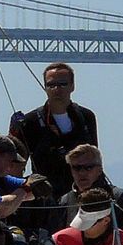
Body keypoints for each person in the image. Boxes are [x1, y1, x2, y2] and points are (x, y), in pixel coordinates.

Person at [14, 62, 98, 198]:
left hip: (83, 192)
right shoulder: (30, 121)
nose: (57, 89)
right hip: (47, 194)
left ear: (72, 86)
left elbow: (94, 155)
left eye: (62, 84)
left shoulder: (86, 117)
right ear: (45, 87)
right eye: (51, 85)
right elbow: (16, 163)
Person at [58, 144, 123, 243]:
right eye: (76, 168)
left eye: (88, 167)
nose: (82, 172)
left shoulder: (119, 197)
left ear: (100, 169)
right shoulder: (65, 201)